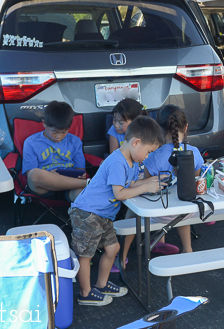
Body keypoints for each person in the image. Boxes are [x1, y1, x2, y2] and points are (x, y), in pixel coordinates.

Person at [69, 116, 165, 306]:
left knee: (113, 248)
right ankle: (85, 293)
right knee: (86, 254)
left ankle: (101, 284)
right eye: (148, 152)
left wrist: (151, 181)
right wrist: (146, 188)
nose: (147, 157)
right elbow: (119, 193)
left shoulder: (131, 159)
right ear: (136, 143)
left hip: (102, 214)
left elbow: (130, 183)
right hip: (87, 213)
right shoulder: (117, 162)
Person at [142, 105, 204, 254]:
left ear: (158, 128)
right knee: (182, 201)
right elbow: (196, 180)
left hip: (159, 214)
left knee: (134, 209)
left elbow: (146, 185)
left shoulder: (153, 155)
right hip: (186, 212)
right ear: (186, 127)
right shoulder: (193, 152)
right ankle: (187, 249)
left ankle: (123, 255)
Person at [21, 101, 88, 202]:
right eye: (54, 132)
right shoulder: (31, 142)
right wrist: (50, 176)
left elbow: (80, 171)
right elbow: (30, 174)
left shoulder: (74, 141)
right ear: (44, 124)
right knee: (34, 174)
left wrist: (81, 175)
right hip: (43, 187)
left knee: (83, 195)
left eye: (64, 132)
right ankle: (90, 183)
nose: (59, 137)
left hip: (70, 186)